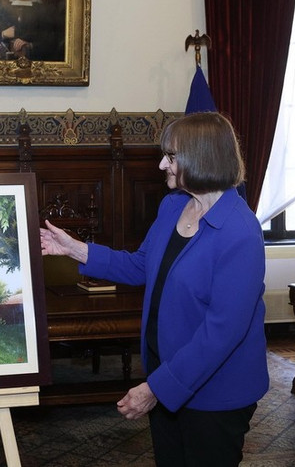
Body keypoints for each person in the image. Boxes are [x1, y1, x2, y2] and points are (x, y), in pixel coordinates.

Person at [40, 112, 268, 466]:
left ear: (202, 158)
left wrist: (157, 388)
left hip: (214, 392)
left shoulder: (241, 232)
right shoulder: (174, 206)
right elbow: (141, 265)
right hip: (166, 374)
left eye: (172, 156)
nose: (163, 164)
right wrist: (74, 249)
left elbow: (221, 333)